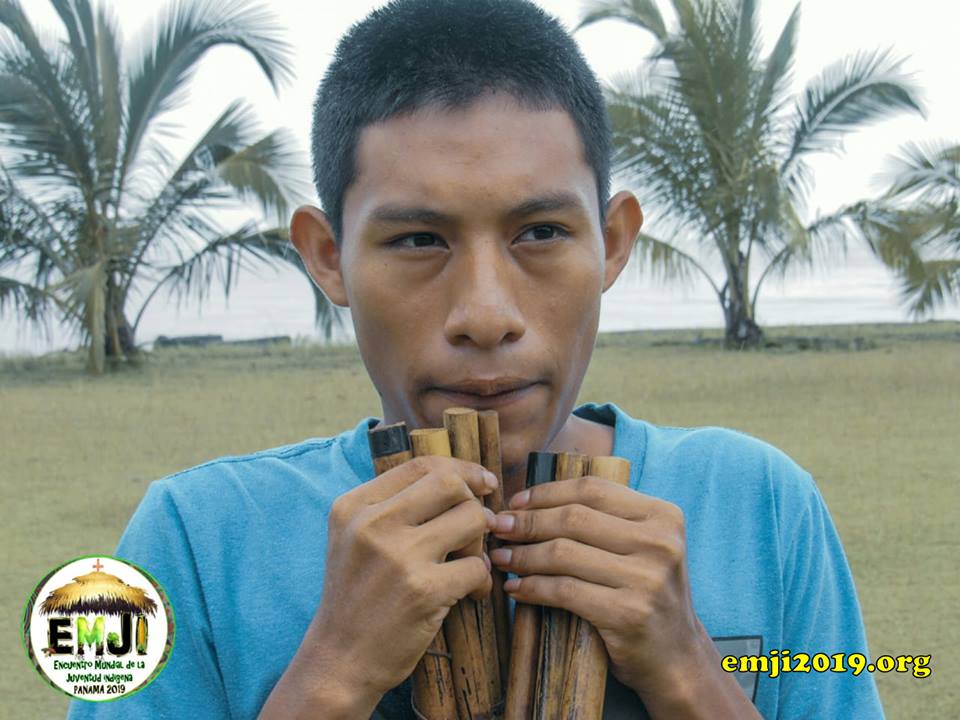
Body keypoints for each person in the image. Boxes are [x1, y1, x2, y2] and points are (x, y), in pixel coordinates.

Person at [67, 0, 883, 718]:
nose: (487, 316)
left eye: (541, 232)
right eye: (418, 240)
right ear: (328, 257)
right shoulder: (194, 541)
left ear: (612, 243)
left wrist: (690, 670)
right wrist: (335, 671)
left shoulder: (759, 506)